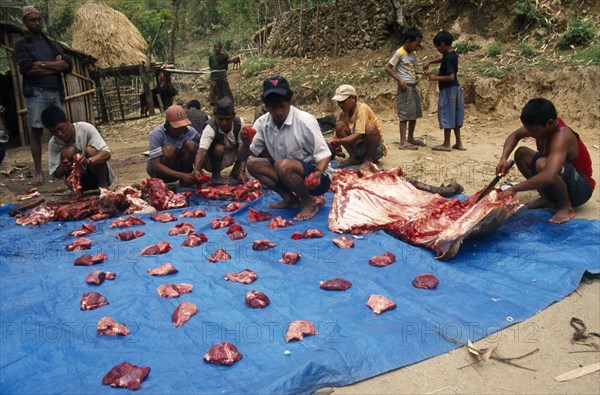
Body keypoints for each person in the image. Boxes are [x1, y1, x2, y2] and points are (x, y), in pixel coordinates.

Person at [238, 76, 333, 221]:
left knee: (282, 165)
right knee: (253, 164)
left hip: (316, 179)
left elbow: (324, 154)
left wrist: (317, 174)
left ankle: (309, 203)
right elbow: (243, 157)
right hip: (285, 172)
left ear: (290, 101)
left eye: (282, 106)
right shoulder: (262, 123)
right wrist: (245, 143)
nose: (278, 112)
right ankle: (290, 199)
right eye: (273, 107)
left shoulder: (305, 120)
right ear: (266, 106)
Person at [496, 98, 595, 224]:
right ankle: (546, 199)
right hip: (561, 179)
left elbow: (549, 175)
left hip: (581, 189)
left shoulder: (562, 135)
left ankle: (566, 207)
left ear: (550, 122)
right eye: (528, 129)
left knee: (543, 164)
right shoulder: (540, 125)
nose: (530, 134)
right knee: (521, 153)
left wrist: (515, 188)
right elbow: (514, 135)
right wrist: (503, 158)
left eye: (534, 131)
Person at [13, 5, 72, 185]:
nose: (37, 23)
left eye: (39, 19)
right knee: (37, 129)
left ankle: (66, 164)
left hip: (54, 91)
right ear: (25, 22)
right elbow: (27, 69)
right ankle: (39, 170)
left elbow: (67, 65)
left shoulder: (51, 43)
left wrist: (43, 65)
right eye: (32, 20)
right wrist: (54, 66)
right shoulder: (22, 45)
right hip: (36, 92)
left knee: (60, 128)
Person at [41, 106, 113, 191]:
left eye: (61, 128)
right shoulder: (53, 143)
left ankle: (102, 186)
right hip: (80, 182)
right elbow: (55, 173)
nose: (59, 134)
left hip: (98, 176)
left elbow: (107, 154)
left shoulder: (86, 128)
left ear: (67, 120)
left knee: (90, 150)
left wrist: (89, 161)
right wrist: (63, 168)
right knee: (68, 152)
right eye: (53, 132)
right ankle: (75, 189)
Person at [385, 27, 426, 150]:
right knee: (404, 115)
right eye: (416, 43)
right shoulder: (400, 52)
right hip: (405, 88)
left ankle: (411, 138)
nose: (417, 46)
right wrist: (399, 80)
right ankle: (403, 142)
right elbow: (388, 67)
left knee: (413, 113)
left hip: (413, 87)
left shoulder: (413, 54)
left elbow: (411, 69)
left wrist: (421, 73)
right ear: (408, 41)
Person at [424, 30, 465, 152]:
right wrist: (430, 62)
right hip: (456, 89)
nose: (437, 50)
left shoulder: (448, 58)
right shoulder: (452, 54)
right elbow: (443, 59)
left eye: (437, 47)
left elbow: (451, 76)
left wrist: (434, 78)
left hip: (448, 90)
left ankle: (446, 143)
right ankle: (458, 142)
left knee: (447, 115)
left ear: (442, 45)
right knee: (456, 117)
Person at [330, 84, 386, 167]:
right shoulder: (342, 114)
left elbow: (358, 134)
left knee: (370, 127)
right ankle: (354, 157)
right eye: (339, 102)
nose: (341, 105)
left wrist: (339, 141)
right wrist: (336, 147)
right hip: (357, 148)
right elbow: (336, 137)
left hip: (374, 149)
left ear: (353, 98)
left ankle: (368, 159)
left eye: (343, 102)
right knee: (340, 126)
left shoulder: (362, 108)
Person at [192, 97, 245, 184]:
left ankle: (237, 171)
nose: (224, 123)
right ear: (215, 115)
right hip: (213, 158)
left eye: (227, 119)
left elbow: (243, 147)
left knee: (247, 144)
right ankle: (216, 174)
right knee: (219, 148)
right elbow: (202, 150)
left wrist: (242, 170)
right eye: (221, 119)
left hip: (232, 153)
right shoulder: (210, 127)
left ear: (233, 115)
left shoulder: (239, 123)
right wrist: (196, 170)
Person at [147, 105, 199, 186]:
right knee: (169, 149)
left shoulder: (191, 131)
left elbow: (200, 152)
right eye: (177, 127)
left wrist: (197, 169)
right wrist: (181, 175)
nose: (180, 129)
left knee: (191, 144)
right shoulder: (157, 133)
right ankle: (164, 180)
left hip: (181, 167)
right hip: (161, 170)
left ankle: (186, 179)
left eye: (182, 126)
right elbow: (156, 164)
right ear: (168, 124)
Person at [208, 42, 235, 106]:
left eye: (218, 47)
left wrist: (221, 72)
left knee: (225, 90)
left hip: (222, 75)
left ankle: (228, 103)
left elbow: (226, 67)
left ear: (221, 48)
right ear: (214, 48)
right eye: (215, 47)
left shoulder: (224, 57)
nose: (216, 48)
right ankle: (215, 104)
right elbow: (211, 66)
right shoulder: (211, 57)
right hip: (214, 76)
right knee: (214, 90)